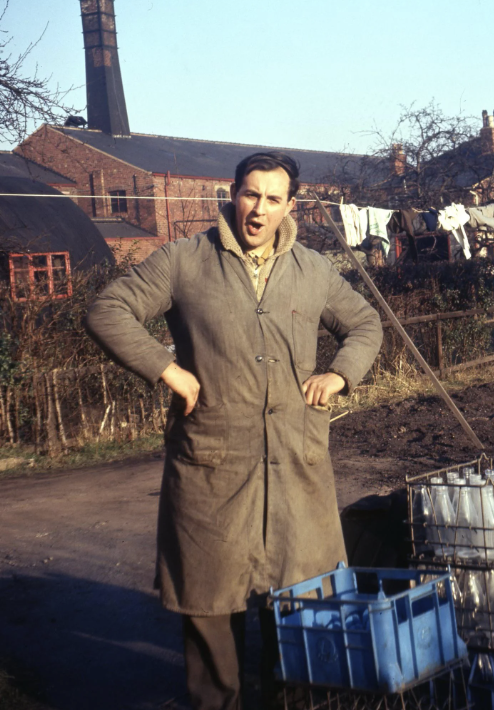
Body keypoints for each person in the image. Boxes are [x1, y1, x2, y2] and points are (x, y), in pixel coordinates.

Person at [85, 151, 383, 710]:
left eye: (273, 199)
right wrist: (167, 368)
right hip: (212, 469)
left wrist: (340, 374)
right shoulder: (183, 260)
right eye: (251, 194)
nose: (259, 210)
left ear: (290, 205)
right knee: (211, 621)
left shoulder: (313, 269)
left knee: (295, 622)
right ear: (232, 194)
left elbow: (365, 323)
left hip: (297, 468)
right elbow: (109, 310)